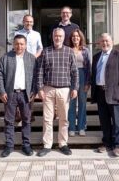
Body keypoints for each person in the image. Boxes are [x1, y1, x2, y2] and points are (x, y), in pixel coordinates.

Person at [36, 28, 79, 157]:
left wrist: (75, 88)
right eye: (56, 36)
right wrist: (39, 88)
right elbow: (40, 72)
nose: (57, 38)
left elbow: (75, 72)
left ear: (64, 37)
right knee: (47, 119)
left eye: (60, 36)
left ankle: (63, 143)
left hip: (64, 89)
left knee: (64, 119)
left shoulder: (70, 52)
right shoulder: (46, 51)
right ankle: (47, 145)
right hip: (48, 89)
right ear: (52, 37)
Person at [0, 34, 37, 158]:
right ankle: (9, 146)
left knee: (26, 120)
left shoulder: (31, 58)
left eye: (22, 44)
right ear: (13, 44)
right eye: (17, 44)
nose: (19, 46)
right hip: (10, 94)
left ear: (25, 45)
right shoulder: (6, 58)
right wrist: (2, 91)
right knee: (9, 121)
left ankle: (26, 145)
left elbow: (36, 76)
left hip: (26, 94)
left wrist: (34, 91)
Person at [90, 33, 119, 157]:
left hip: (115, 94)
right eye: (102, 41)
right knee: (104, 120)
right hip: (100, 92)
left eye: (107, 41)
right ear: (99, 43)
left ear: (112, 41)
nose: (104, 43)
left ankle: (118, 145)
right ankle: (107, 143)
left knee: (118, 121)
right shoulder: (96, 56)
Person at [68, 29, 91, 137]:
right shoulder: (67, 50)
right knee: (71, 103)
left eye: (77, 36)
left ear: (80, 37)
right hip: (70, 78)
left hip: (82, 76)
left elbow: (89, 67)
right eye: (73, 36)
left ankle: (81, 127)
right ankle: (71, 127)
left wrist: (88, 82)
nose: (75, 38)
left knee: (82, 103)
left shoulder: (85, 50)